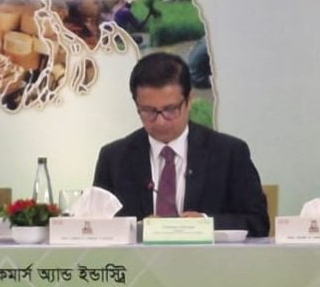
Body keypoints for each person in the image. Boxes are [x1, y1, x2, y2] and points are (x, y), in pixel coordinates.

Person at [92, 53, 269, 237]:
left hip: (207, 255)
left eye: (170, 110)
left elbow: (258, 223)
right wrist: (136, 228)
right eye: (148, 111)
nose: (160, 121)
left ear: (189, 100)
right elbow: (95, 228)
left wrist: (205, 223)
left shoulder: (229, 153)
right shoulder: (114, 158)